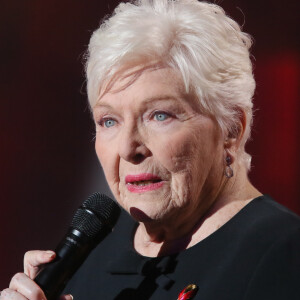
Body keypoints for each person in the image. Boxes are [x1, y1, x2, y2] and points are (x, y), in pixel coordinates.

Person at [1, 0, 300, 299]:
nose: (128, 148)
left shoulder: (283, 252)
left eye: (160, 115)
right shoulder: (87, 258)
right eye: (109, 120)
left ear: (232, 128)